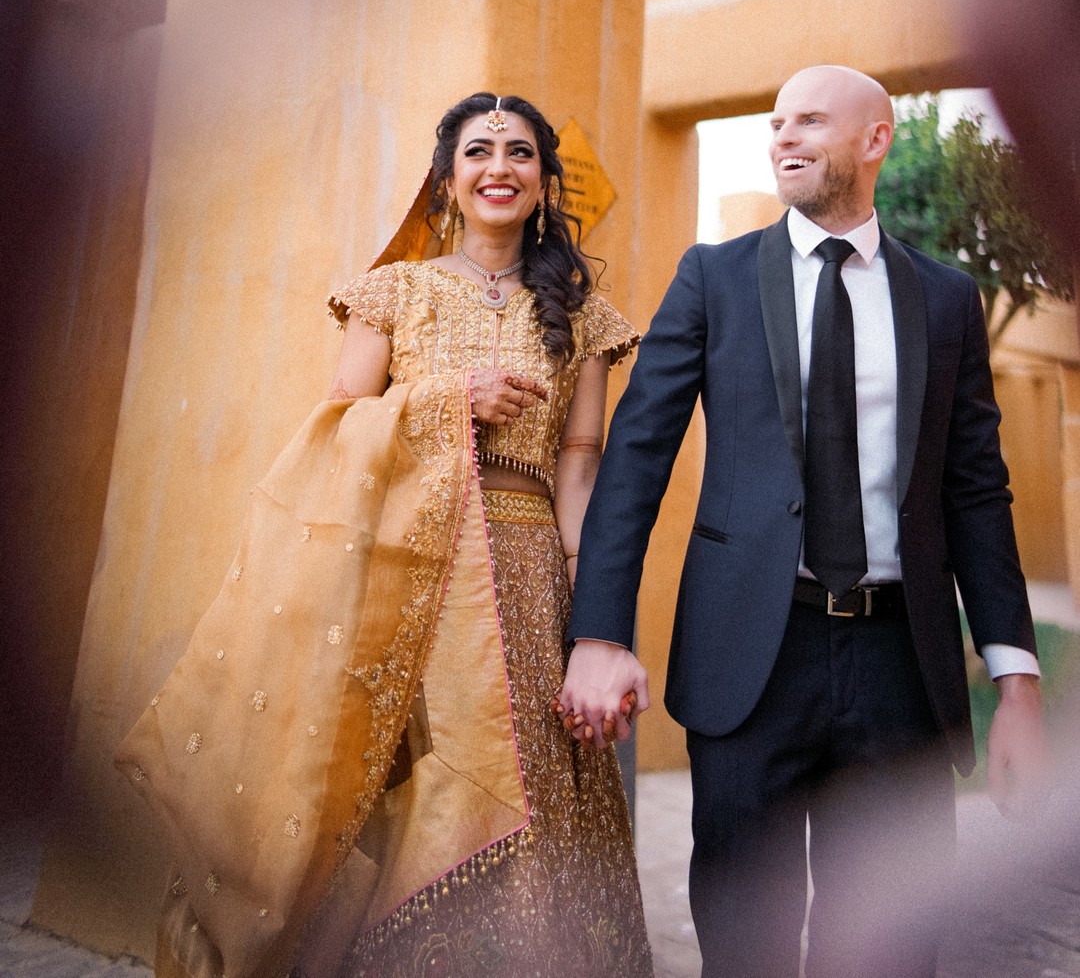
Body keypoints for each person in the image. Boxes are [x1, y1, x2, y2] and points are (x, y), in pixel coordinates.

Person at [116, 92, 653, 978]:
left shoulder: (582, 313)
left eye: (520, 153)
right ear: (447, 178)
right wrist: (449, 399)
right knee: (395, 789)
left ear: (545, 182)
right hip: (409, 577)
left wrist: (586, 610)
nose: (499, 168)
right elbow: (335, 429)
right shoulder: (395, 291)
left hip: (528, 582)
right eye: (478, 151)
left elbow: (581, 467)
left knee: (534, 794)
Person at [559, 64, 1046, 978]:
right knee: (747, 948)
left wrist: (1016, 678)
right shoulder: (713, 278)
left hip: (902, 667)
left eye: (811, 121)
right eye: (777, 122)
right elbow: (636, 460)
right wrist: (599, 633)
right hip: (750, 658)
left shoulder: (945, 299)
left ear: (875, 139)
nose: (783, 136)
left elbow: (976, 491)